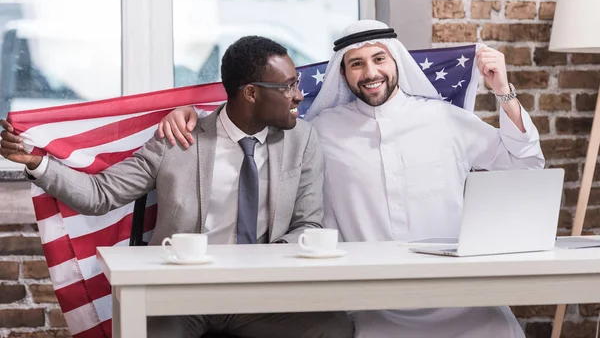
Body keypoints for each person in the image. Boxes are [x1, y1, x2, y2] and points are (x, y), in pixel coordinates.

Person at [155, 20, 544, 338]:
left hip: (459, 298)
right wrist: (188, 113)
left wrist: (503, 91)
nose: (370, 72)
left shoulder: (445, 119)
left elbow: (525, 166)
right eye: (356, 63)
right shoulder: (316, 132)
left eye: (379, 59)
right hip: (372, 305)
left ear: (397, 64)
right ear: (343, 73)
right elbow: (244, 122)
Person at [0, 36, 353, 338]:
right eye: (288, 85)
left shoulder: (302, 140)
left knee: (335, 327)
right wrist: (38, 163)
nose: (298, 94)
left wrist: (263, 264)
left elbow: (308, 225)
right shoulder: (178, 139)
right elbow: (100, 195)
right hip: (181, 295)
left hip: (262, 296)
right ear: (250, 93)